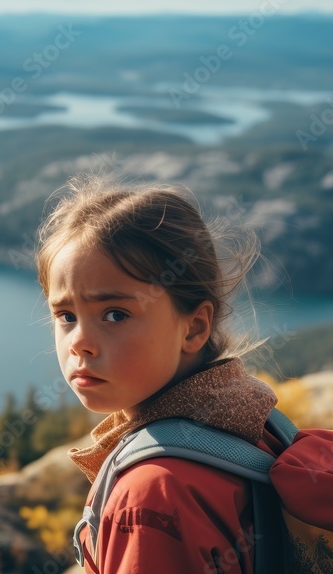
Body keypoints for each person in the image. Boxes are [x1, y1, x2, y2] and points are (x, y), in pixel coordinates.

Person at [36, 177, 281, 573]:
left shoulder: (151, 497)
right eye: (66, 316)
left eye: (115, 314)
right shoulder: (257, 424)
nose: (80, 343)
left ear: (194, 328)